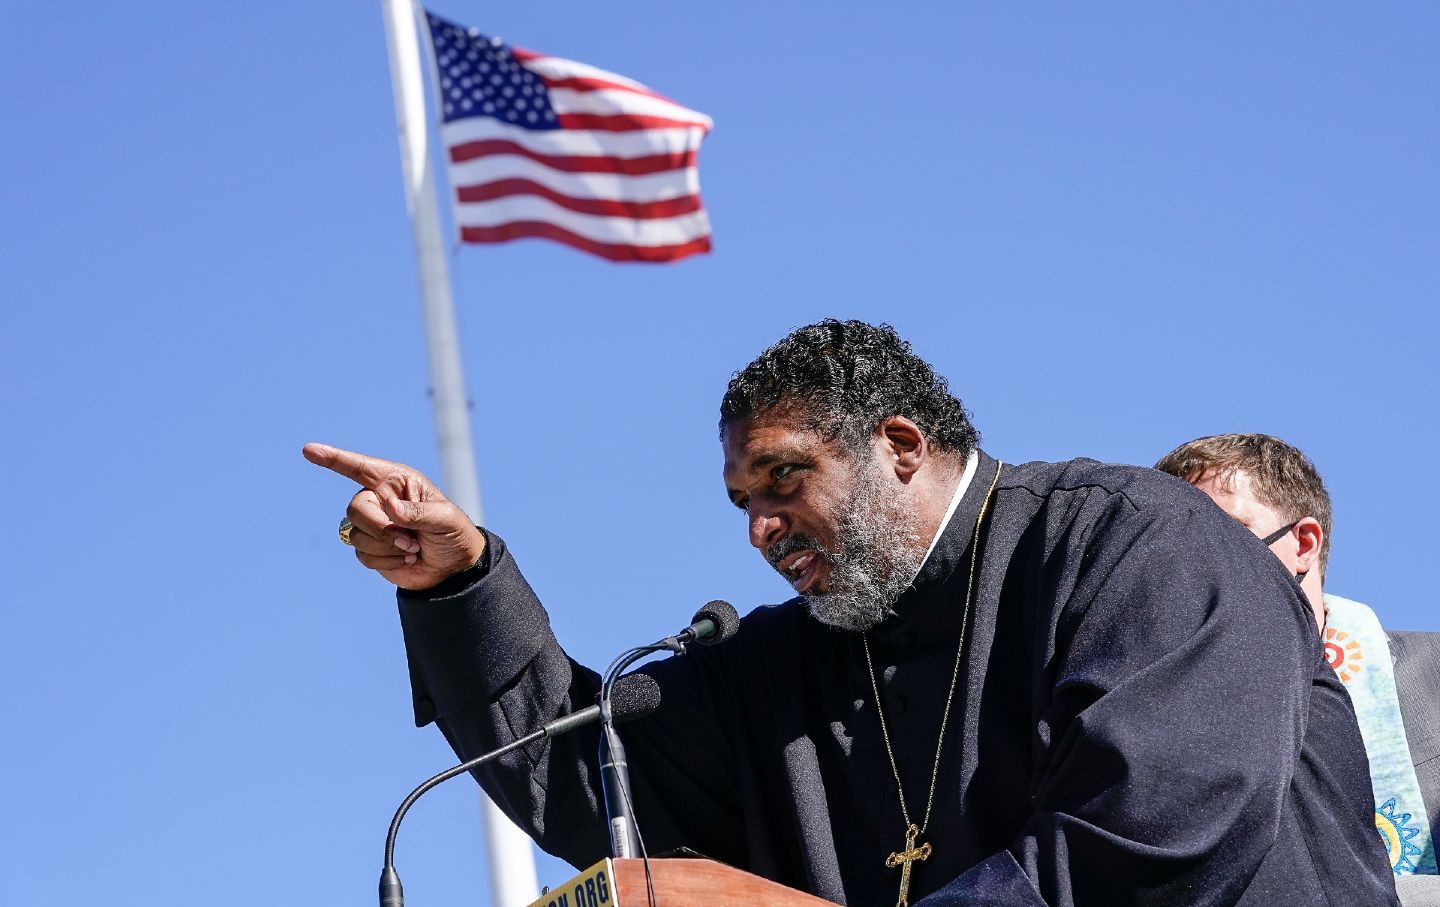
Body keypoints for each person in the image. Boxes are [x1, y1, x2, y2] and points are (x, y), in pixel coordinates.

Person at [307, 321, 1396, 906]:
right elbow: (584, 768)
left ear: (901, 445)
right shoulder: (778, 664)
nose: (761, 531)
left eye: (785, 483)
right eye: (743, 503)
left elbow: (1164, 838)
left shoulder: (1132, 540)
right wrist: (456, 587)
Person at [1156, 433, 1439, 901]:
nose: (1192, 565)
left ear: (1304, 544)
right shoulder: (1146, 705)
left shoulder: (1432, 680)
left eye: (1223, 534)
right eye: (1170, 546)